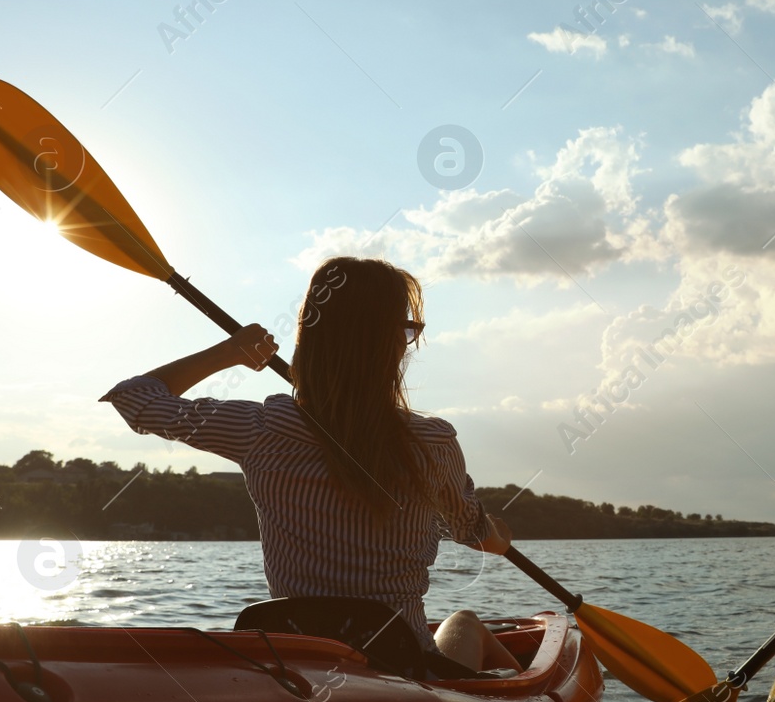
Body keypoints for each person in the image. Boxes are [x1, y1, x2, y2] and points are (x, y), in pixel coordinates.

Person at [101, 256, 520, 675]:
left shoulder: (261, 430)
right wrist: (497, 536)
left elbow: (133, 397)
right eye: (408, 332)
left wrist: (228, 353)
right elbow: (472, 532)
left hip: (295, 669)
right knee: (465, 623)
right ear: (393, 345)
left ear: (307, 339)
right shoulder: (434, 444)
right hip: (403, 669)